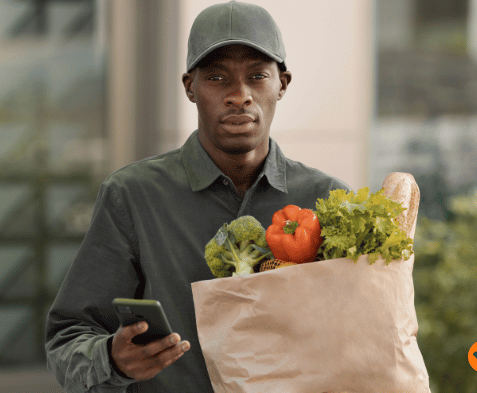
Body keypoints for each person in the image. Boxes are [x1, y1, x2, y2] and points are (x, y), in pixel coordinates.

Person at [45, 1, 350, 391]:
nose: (239, 95)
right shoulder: (133, 196)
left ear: (282, 84)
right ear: (190, 87)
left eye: (257, 76)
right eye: (217, 78)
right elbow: (67, 340)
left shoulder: (329, 199)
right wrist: (112, 360)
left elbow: (358, 333)